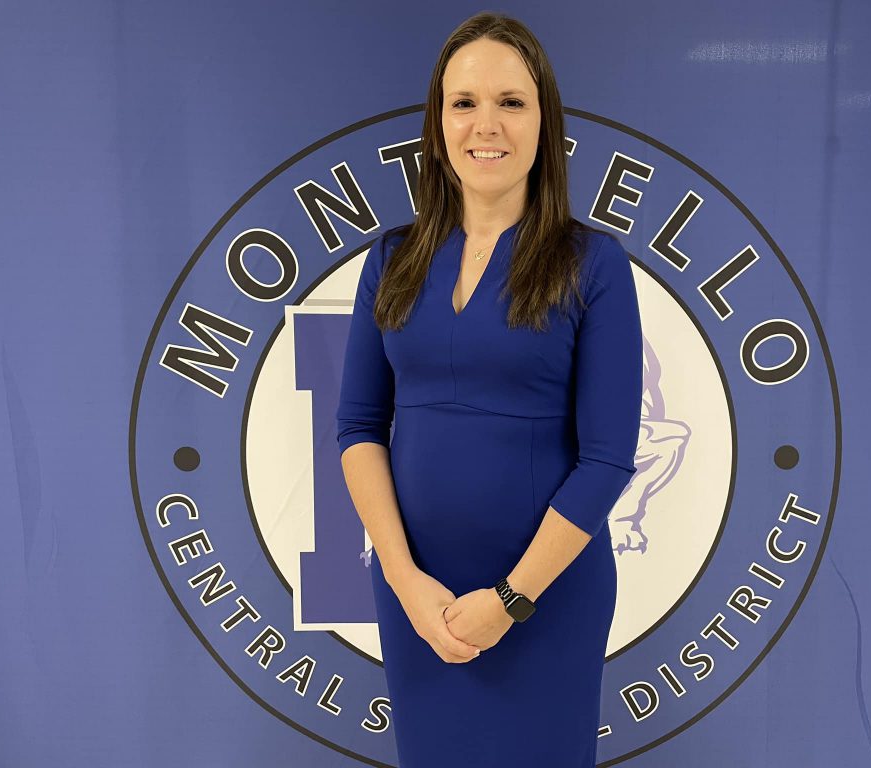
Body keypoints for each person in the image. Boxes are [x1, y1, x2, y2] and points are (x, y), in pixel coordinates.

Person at [336, 11, 642, 767]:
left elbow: (606, 459)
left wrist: (511, 601)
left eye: (511, 101)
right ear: (438, 122)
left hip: (546, 600)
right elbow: (356, 427)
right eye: (464, 102)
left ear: (545, 120)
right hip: (419, 599)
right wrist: (405, 583)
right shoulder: (392, 260)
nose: (486, 125)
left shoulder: (593, 266)